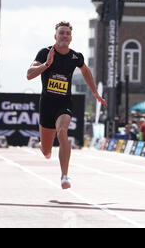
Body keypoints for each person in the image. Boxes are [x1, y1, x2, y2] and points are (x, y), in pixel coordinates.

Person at [26, 21, 106, 189]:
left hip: (64, 103)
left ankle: (64, 176)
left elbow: (85, 71)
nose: (64, 36)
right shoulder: (45, 52)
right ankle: (43, 145)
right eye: (61, 33)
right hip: (47, 104)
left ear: (71, 38)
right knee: (47, 151)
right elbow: (29, 75)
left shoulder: (76, 57)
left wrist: (94, 92)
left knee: (62, 131)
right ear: (55, 36)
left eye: (67, 33)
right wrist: (46, 64)